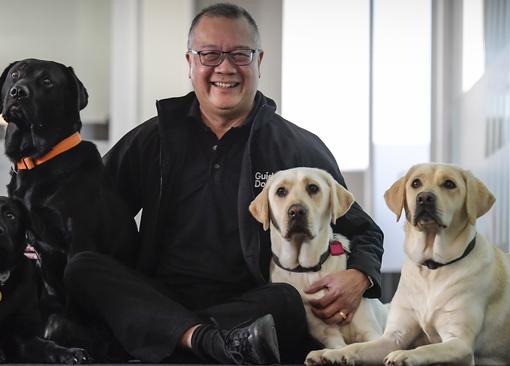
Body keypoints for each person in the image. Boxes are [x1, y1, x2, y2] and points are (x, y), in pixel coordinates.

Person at [64, 3, 383, 364]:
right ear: (190, 63)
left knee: (287, 300)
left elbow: (364, 231)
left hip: (252, 301)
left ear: (259, 60)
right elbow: (92, 204)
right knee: (83, 266)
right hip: (162, 294)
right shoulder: (155, 138)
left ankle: (175, 339)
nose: (225, 67)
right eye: (210, 54)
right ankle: (209, 342)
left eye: (240, 54)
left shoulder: (296, 147)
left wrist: (360, 275)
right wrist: (37, 234)